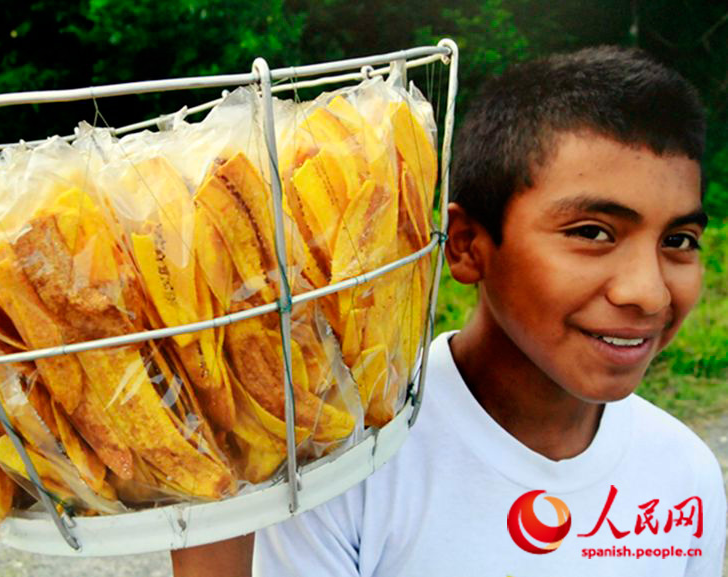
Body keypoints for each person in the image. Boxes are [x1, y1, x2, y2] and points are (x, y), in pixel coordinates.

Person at [172, 45, 727, 576]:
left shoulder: (684, 475)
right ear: (465, 245)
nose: (649, 293)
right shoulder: (347, 467)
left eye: (678, 240)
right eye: (592, 232)